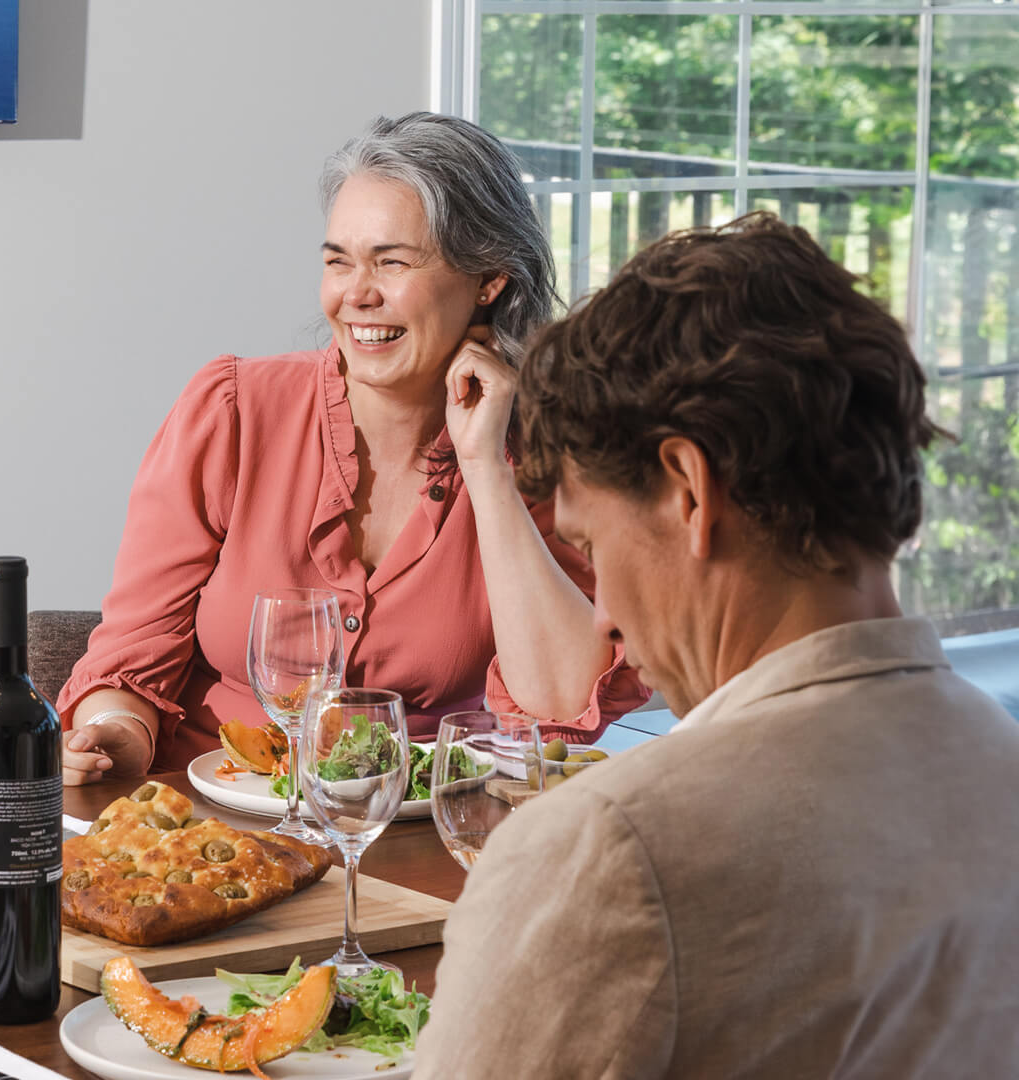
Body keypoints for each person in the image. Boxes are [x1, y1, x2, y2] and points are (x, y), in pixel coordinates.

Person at [414, 213, 1019, 1076]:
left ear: (690, 492)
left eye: (592, 548)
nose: (605, 618)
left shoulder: (612, 849)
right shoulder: (1002, 765)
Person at [58, 113, 646, 782]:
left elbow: (559, 707)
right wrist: (114, 737)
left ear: (489, 279)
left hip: (415, 834)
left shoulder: (540, 452)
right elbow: (132, 656)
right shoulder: (233, 412)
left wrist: (486, 468)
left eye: (392, 262)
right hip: (211, 821)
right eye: (339, 261)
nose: (356, 295)